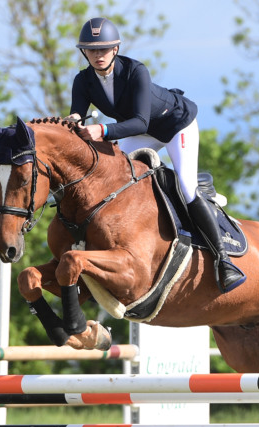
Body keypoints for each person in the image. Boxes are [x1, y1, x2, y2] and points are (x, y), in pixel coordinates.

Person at [67, 17, 245, 293]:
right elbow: (77, 112)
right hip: (146, 130)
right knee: (110, 176)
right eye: (92, 50)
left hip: (176, 124)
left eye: (104, 49)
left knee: (186, 188)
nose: (98, 55)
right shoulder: (83, 80)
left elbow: (139, 122)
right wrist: (71, 122)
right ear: (84, 52)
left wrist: (101, 129)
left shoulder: (136, 70)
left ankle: (224, 261)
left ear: (115, 49)